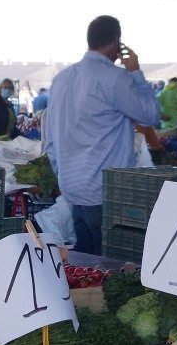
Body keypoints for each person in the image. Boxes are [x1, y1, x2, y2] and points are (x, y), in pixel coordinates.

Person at [44, 15, 159, 255]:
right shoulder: (116, 79)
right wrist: (136, 72)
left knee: (85, 267)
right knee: (110, 269)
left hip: (72, 188)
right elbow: (150, 115)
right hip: (104, 192)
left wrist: (63, 174)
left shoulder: (61, 79)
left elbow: (50, 138)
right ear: (117, 42)